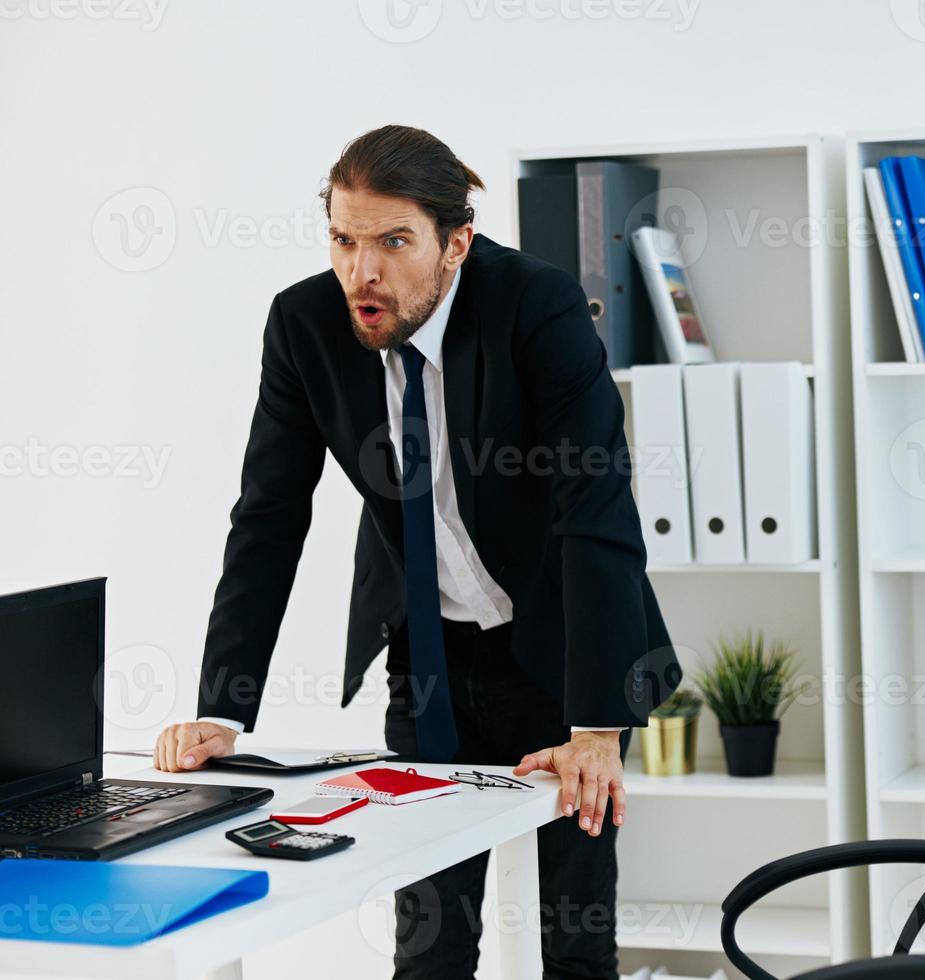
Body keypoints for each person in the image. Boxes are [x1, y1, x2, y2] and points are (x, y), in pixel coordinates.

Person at [152, 124, 679, 979]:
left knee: (574, 943)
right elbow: (268, 519)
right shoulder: (304, 326)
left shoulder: (537, 308)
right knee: (429, 941)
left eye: (393, 242)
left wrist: (596, 727)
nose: (363, 271)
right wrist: (225, 708)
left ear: (455, 244)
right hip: (429, 650)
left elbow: (598, 514)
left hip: (562, 646)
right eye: (344, 239)